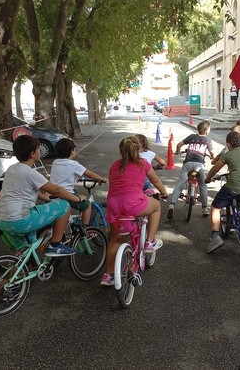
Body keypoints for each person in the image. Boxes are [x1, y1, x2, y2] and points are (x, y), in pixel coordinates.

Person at [0, 135, 84, 257]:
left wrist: (44, 198)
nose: (40, 150)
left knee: (23, 251)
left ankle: (12, 276)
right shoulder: (30, 172)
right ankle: (56, 245)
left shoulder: (12, 169)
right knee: (64, 206)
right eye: (38, 148)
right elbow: (57, 190)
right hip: (20, 219)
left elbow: (24, 189)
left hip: (2, 219)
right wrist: (77, 198)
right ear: (32, 153)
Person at [101, 136, 168, 286]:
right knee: (156, 206)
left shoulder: (114, 165)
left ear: (121, 150)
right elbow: (156, 181)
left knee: (115, 240)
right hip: (134, 203)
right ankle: (150, 241)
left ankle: (108, 275)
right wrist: (164, 193)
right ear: (138, 150)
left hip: (114, 204)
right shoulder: (143, 163)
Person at [204, 131, 240, 253]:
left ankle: (215, 237)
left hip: (233, 186)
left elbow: (215, 168)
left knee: (215, 206)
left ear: (228, 144)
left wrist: (208, 179)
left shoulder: (228, 154)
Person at [49, 138, 108, 225]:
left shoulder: (55, 162)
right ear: (71, 152)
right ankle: (85, 230)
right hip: (66, 194)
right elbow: (89, 174)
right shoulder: (73, 164)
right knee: (87, 205)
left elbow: (63, 174)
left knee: (77, 194)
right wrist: (101, 179)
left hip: (54, 193)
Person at [167, 120, 214, 219]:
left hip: (188, 164)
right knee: (202, 185)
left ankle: (172, 205)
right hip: (199, 165)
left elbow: (179, 144)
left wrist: (178, 152)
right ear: (207, 131)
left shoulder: (192, 137)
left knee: (180, 183)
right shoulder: (208, 141)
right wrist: (212, 157)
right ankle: (205, 207)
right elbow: (212, 153)